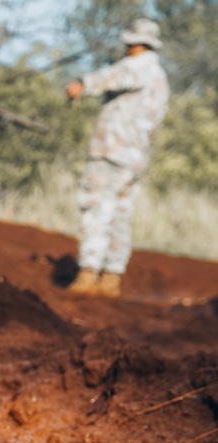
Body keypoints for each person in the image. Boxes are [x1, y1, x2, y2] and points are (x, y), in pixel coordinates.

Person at [65, 18, 170, 298]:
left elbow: (110, 77)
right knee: (121, 215)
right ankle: (111, 277)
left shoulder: (138, 66)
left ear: (136, 43)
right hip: (135, 158)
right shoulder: (161, 77)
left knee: (97, 209)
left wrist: (81, 84)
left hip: (111, 151)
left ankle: (88, 273)